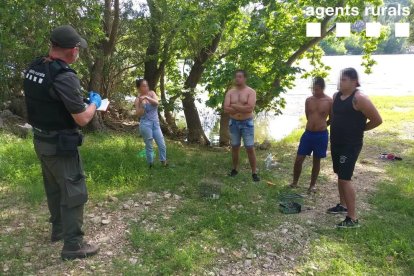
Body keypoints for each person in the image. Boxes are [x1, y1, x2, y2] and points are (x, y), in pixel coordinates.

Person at [23, 25, 100, 259]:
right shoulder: (65, 76)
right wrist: (95, 103)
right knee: (73, 190)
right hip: (60, 144)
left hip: (41, 140)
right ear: (71, 50)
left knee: (54, 189)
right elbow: (83, 118)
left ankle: (58, 230)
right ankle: (73, 245)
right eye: (78, 48)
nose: (78, 52)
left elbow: (48, 98)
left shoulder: (35, 67)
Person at [327, 68, 382, 228]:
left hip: (351, 144)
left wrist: (360, 129)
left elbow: (377, 120)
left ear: (354, 82)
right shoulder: (336, 96)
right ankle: (342, 205)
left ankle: (352, 218)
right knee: (339, 174)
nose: (340, 82)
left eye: (344, 80)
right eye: (340, 79)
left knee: (345, 178)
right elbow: (335, 116)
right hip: (336, 141)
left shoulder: (360, 98)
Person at [289, 77, 332, 193]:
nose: (314, 92)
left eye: (317, 89)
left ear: (322, 88)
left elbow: (332, 119)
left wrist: (322, 125)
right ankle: (294, 182)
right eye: (313, 89)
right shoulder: (308, 100)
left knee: (316, 160)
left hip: (321, 135)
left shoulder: (329, 101)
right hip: (308, 134)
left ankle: (312, 185)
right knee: (298, 159)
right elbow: (308, 116)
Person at [224, 70, 260, 182]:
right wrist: (240, 108)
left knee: (249, 147)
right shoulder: (230, 92)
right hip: (233, 123)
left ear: (245, 78)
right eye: (236, 77)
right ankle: (234, 169)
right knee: (235, 147)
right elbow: (226, 108)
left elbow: (250, 108)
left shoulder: (251, 92)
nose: (237, 79)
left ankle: (254, 172)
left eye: (240, 77)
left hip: (247, 123)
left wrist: (233, 106)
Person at [134, 78, 167, 168]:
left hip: (156, 124)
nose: (146, 87)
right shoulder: (137, 100)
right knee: (149, 145)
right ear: (139, 88)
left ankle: (163, 163)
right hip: (145, 124)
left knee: (162, 144)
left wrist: (147, 98)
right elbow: (138, 114)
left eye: (147, 85)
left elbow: (157, 103)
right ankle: (150, 165)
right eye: (144, 86)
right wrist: (143, 105)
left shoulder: (152, 93)